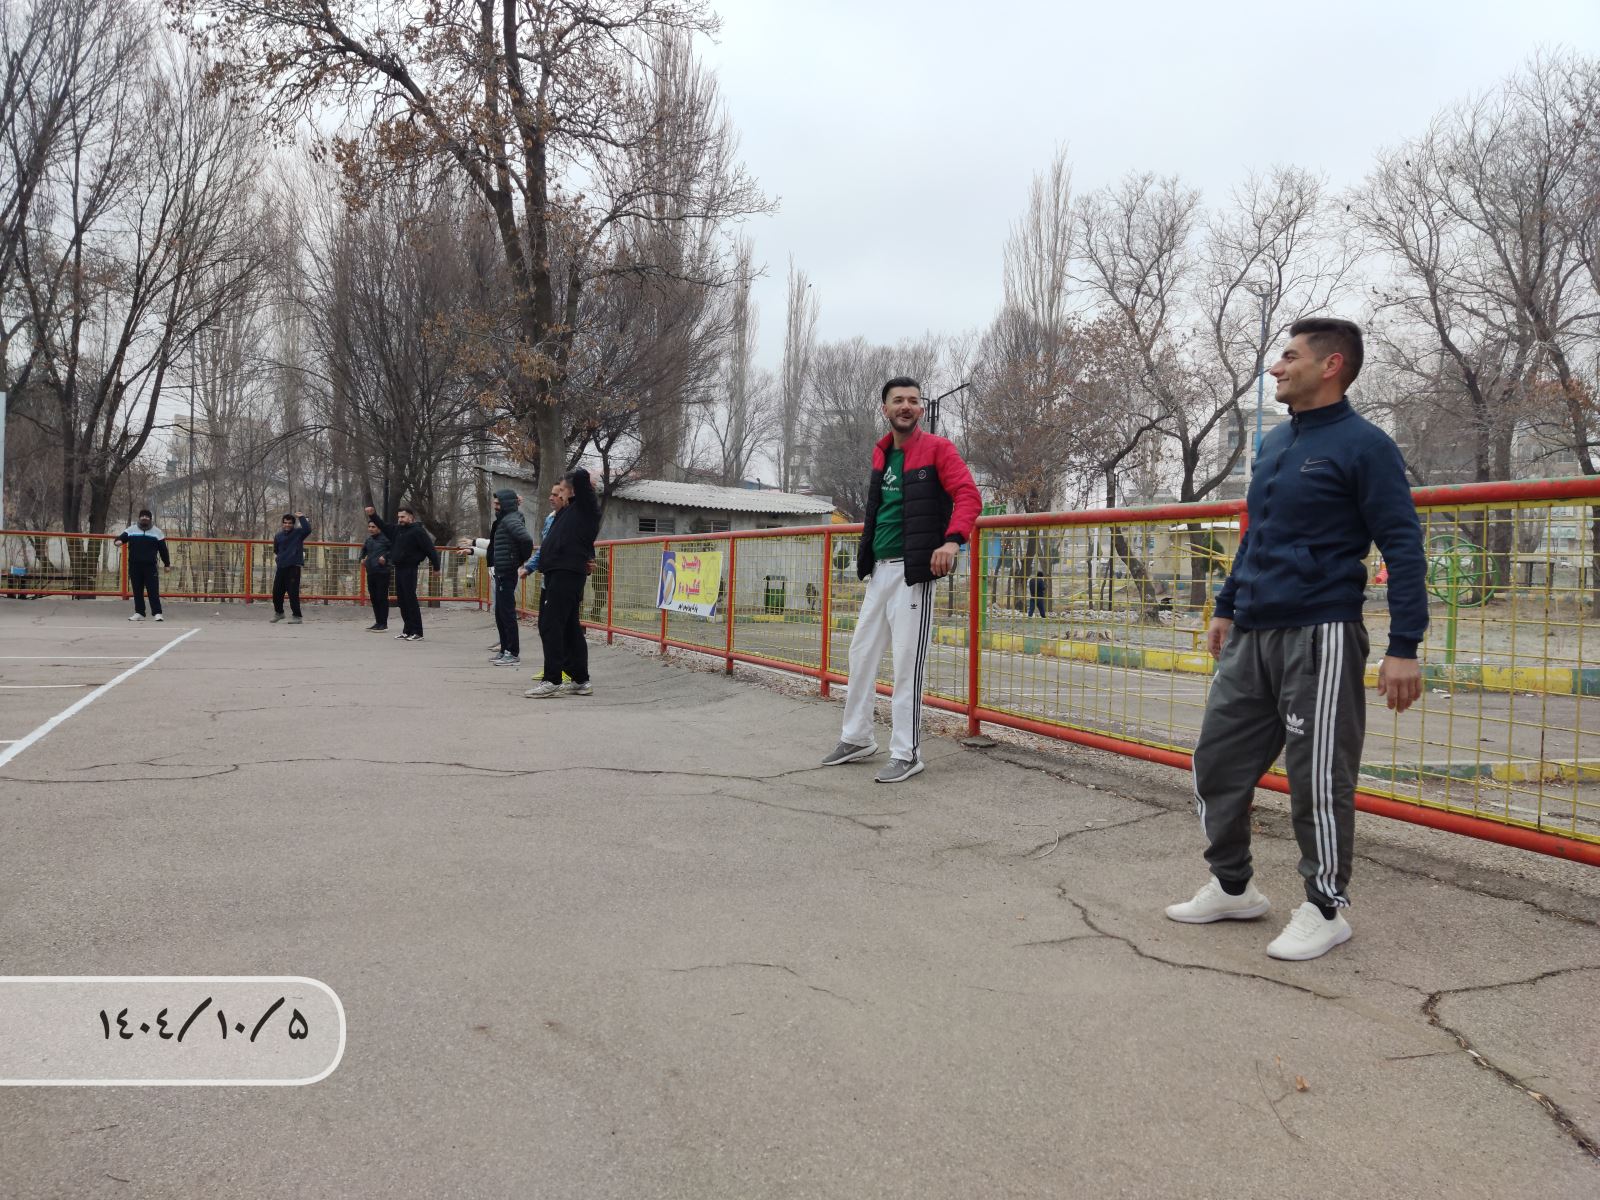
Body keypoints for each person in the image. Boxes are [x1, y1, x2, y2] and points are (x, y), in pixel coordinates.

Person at [1165, 317, 1426, 961]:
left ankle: (1325, 907)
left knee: (1318, 778)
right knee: (1215, 762)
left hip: (1321, 630)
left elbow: (1403, 546)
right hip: (1253, 629)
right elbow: (1258, 534)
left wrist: (1404, 646)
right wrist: (1226, 606)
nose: (1276, 368)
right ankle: (1233, 887)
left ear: (1331, 365)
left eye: (1289, 356)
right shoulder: (1278, 442)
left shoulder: (1366, 446)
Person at [820, 376, 980, 783]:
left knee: (907, 664)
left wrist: (952, 541)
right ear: (885, 408)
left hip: (913, 574)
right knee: (860, 654)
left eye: (913, 400)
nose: (906, 406)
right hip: (879, 571)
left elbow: (968, 496)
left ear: (921, 409)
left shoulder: (938, 449)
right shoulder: (882, 453)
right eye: (898, 400)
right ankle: (857, 737)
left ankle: (907, 753)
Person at [524, 470, 600, 698]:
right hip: (558, 573)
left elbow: (581, 477)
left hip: (566, 574)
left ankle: (552, 680)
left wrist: (585, 476)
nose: (559, 494)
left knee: (551, 625)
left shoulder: (586, 508)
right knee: (569, 628)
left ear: (574, 490)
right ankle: (580, 680)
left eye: (563, 489)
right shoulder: (568, 512)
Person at [471, 490, 535, 666]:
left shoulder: (511, 519)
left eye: (498, 504)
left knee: (507, 613)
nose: (495, 507)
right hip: (501, 571)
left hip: (507, 571)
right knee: (500, 613)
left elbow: (526, 540)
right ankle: (504, 649)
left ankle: (512, 653)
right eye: (495, 504)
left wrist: (520, 560)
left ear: (506, 504)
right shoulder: (504, 519)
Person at [366, 504, 442, 641]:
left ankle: (417, 632)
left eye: (403, 517)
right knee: (402, 600)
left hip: (410, 568)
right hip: (399, 568)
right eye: (399, 517)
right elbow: (383, 525)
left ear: (411, 517)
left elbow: (430, 549)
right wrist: (373, 515)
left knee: (410, 599)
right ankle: (407, 630)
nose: (400, 519)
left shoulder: (418, 531)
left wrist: (436, 567)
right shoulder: (397, 530)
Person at [115, 509, 170, 622]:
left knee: (153, 590)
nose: (144, 518)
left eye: (147, 516)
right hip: (135, 565)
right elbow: (120, 538)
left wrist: (167, 564)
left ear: (150, 519)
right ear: (139, 518)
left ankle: (157, 613)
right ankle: (139, 613)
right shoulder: (131, 530)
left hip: (150, 566)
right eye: (142, 516)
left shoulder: (157, 532)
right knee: (137, 590)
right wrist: (118, 542)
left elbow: (163, 550)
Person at [271, 512, 312, 624]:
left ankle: (297, 616)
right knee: (276, 592)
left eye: (289, 523)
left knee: (293, 593)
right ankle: (279, 613)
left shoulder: (298, 533)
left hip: (293, 567)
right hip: (281, 567)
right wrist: (280, 558)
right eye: (285, 523)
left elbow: (308, 529)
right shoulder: (278, 536)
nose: (287, 525)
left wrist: (301, 517)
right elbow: (276, 550)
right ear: (282, 523)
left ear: (293, 524)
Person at [360, 517, 392, 631]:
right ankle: (378, 622)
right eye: (369, 527)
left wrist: (385, 558)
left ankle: (383, 623)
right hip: (371, 571)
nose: (371, 529)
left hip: (382, 572)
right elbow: (363, 550)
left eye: (373, 527)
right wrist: (362, 559)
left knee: (381, 597)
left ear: (379, 528)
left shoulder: (386, 539)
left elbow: (394, 550)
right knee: (373, 598)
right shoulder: (369, 540)